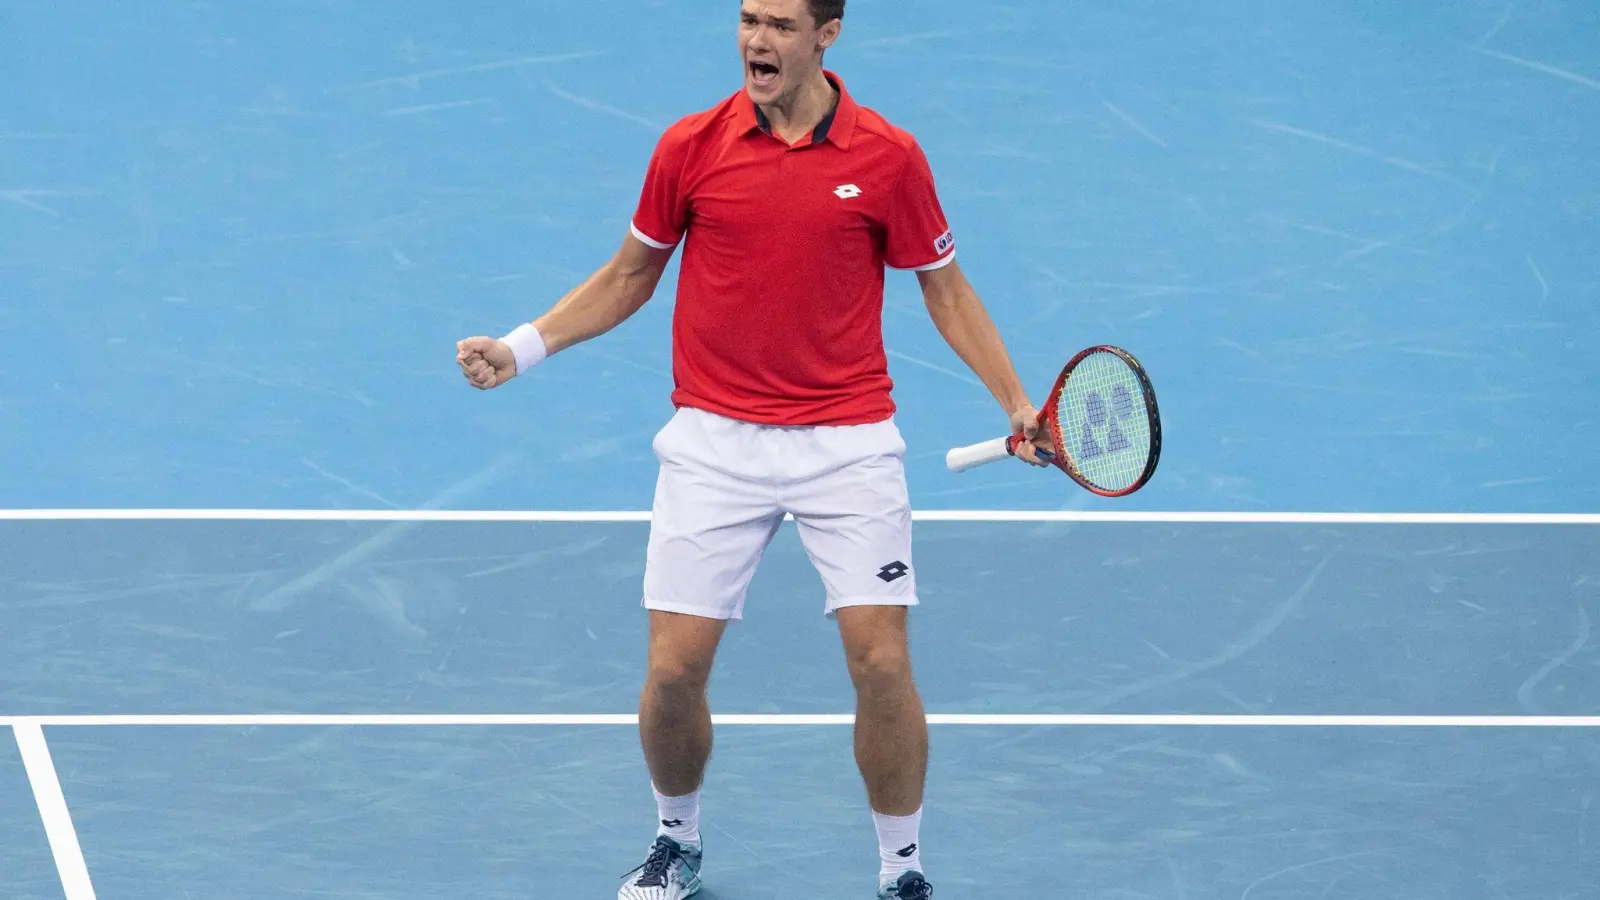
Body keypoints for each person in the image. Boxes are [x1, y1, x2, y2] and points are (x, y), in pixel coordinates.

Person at [456, 0, 1046, 896]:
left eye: (778, 23)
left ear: (827, 34)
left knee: (882, 663)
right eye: (746, 19)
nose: (756, 41)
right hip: (714, 444)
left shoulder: (889, 156)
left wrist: (1015, 400)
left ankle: (903, 870)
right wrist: (520, 346)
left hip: (847, 442)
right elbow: (628, 276)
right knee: (671, 674)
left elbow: (947, 289)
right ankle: (676, 841)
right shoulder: (690, 147)